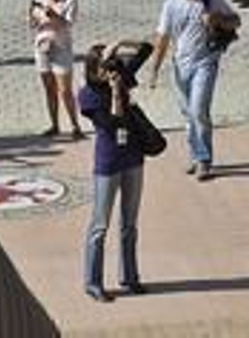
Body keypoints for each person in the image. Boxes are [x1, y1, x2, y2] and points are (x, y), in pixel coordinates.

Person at [149, 0, 238, 180]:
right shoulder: (171, 5)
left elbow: (236, 21)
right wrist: (154, 69)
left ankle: (204, 160)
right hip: (180, 65)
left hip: (205, 62)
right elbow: (163, 38)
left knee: (198, 110)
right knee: (188, 115)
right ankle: (196, 155)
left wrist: (218, 18)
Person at [79, 41, 153, 303]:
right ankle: (93, 282)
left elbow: (146, 49)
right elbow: (114, 123)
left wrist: (119, 43)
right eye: (104, 65)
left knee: (130, 224)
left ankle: (130, 277)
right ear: (92, 69)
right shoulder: (88, 96)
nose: (111, 69)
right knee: (100, 225)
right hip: (108, 164)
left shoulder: (121, 76)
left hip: (133, 159)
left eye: (112, 63)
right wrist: (114, 92)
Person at [28, 0, 85, 139]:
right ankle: (54, 125)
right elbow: (32, 25)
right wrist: (32, 16)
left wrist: (53, 15)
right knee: (49, 89)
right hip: (42, 48)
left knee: (64, 90)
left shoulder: (70, 0)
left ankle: (75, 126)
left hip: (62, 48)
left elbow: (68, 24)